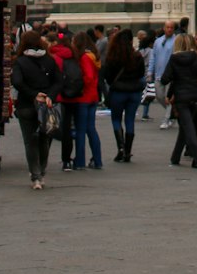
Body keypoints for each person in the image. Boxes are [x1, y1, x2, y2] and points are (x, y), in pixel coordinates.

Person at [10, 30, 62, 189]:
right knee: (44, 139)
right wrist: (49, 96)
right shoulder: (49, 60)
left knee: (30, 141)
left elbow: (17, 82)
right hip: (46, 105)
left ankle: (35, 176)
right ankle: (42, 170)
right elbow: (59, 81)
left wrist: (33, 94)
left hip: (27, 104)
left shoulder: (20, 61)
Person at [162, 33, 197, 169]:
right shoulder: (196, 57)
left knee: (187, 127)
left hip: (181, 97)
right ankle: (175, 157)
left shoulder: (174, 58)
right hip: (195, 96)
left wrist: (172, 86)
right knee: (186, 126)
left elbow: (165, 79)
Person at [102, 28, 145, 163]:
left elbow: (107, 76)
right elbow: (141, 74)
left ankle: (121, 147)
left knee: (116, 119)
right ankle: (128, 150)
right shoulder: (137, 56)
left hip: (118, 92)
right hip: (134, 92)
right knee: (130, 120)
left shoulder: (113, 56)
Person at [69, 31, 103, 169]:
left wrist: (77, 84)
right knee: (90, 129)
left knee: (81, 130)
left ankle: (80, 161)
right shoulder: (93, 56)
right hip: (93, 96)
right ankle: (97, 159)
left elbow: (88, 77)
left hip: (84, 97)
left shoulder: (84, 58)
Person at [49, 29, 78, 172]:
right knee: (67, 130)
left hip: (56, 97)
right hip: (71, 96)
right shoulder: (73, 55)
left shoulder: (54, 57)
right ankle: (67, 160)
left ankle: (43, 160)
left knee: (49, 127)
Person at [149, 20, 177, 129]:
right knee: (159, 96)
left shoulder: (176, 41)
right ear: (164, 28)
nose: (169, 29)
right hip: (159, 74)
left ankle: (166, 119)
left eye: (171, 27)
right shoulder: (158, 41)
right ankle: (172, 113)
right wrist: (150, 71)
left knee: (167, 97)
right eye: (167, 27)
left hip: (171, 75)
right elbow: (153, 56)